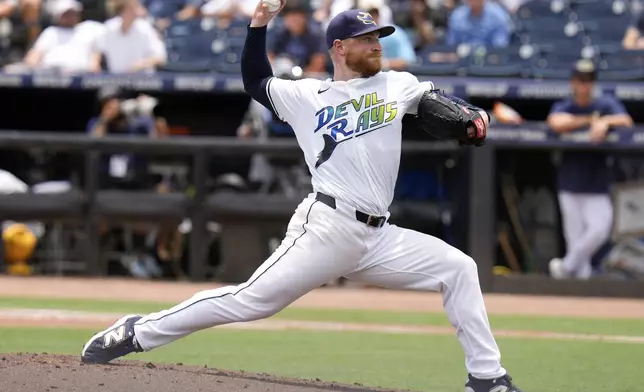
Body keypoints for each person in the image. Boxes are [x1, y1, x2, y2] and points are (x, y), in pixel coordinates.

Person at [80, 2, 525, 391]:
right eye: (365, 38)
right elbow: (255, 81)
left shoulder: (397, 84)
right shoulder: (307, 95)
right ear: (339, 48)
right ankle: (138, 331)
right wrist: (258, 25)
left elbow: (444, 103)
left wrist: (472, 118)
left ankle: (487, 378)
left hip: (379, 236)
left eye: (377, 37)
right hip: (327, 228)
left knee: (459, 268)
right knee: (250, 301)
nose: (375, 44)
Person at [547, 60, 633, 280]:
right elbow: (555, 122)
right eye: (581, 80)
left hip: (597, 184)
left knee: (599, 230)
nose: (585, 85)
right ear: (573, 82)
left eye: (589, 80)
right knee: (575, 242)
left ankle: (565, 268)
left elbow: (626, 121)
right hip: (570, 183)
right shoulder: (566, 105)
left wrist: (605, 122)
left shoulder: (605, 104)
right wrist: (590, 120)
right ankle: (578, 298)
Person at [446, 0, 511, 48]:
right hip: (462, 62)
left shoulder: (498, 16)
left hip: (490, 62)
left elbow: (500, 48)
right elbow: (452, 46)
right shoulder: (457, 16)